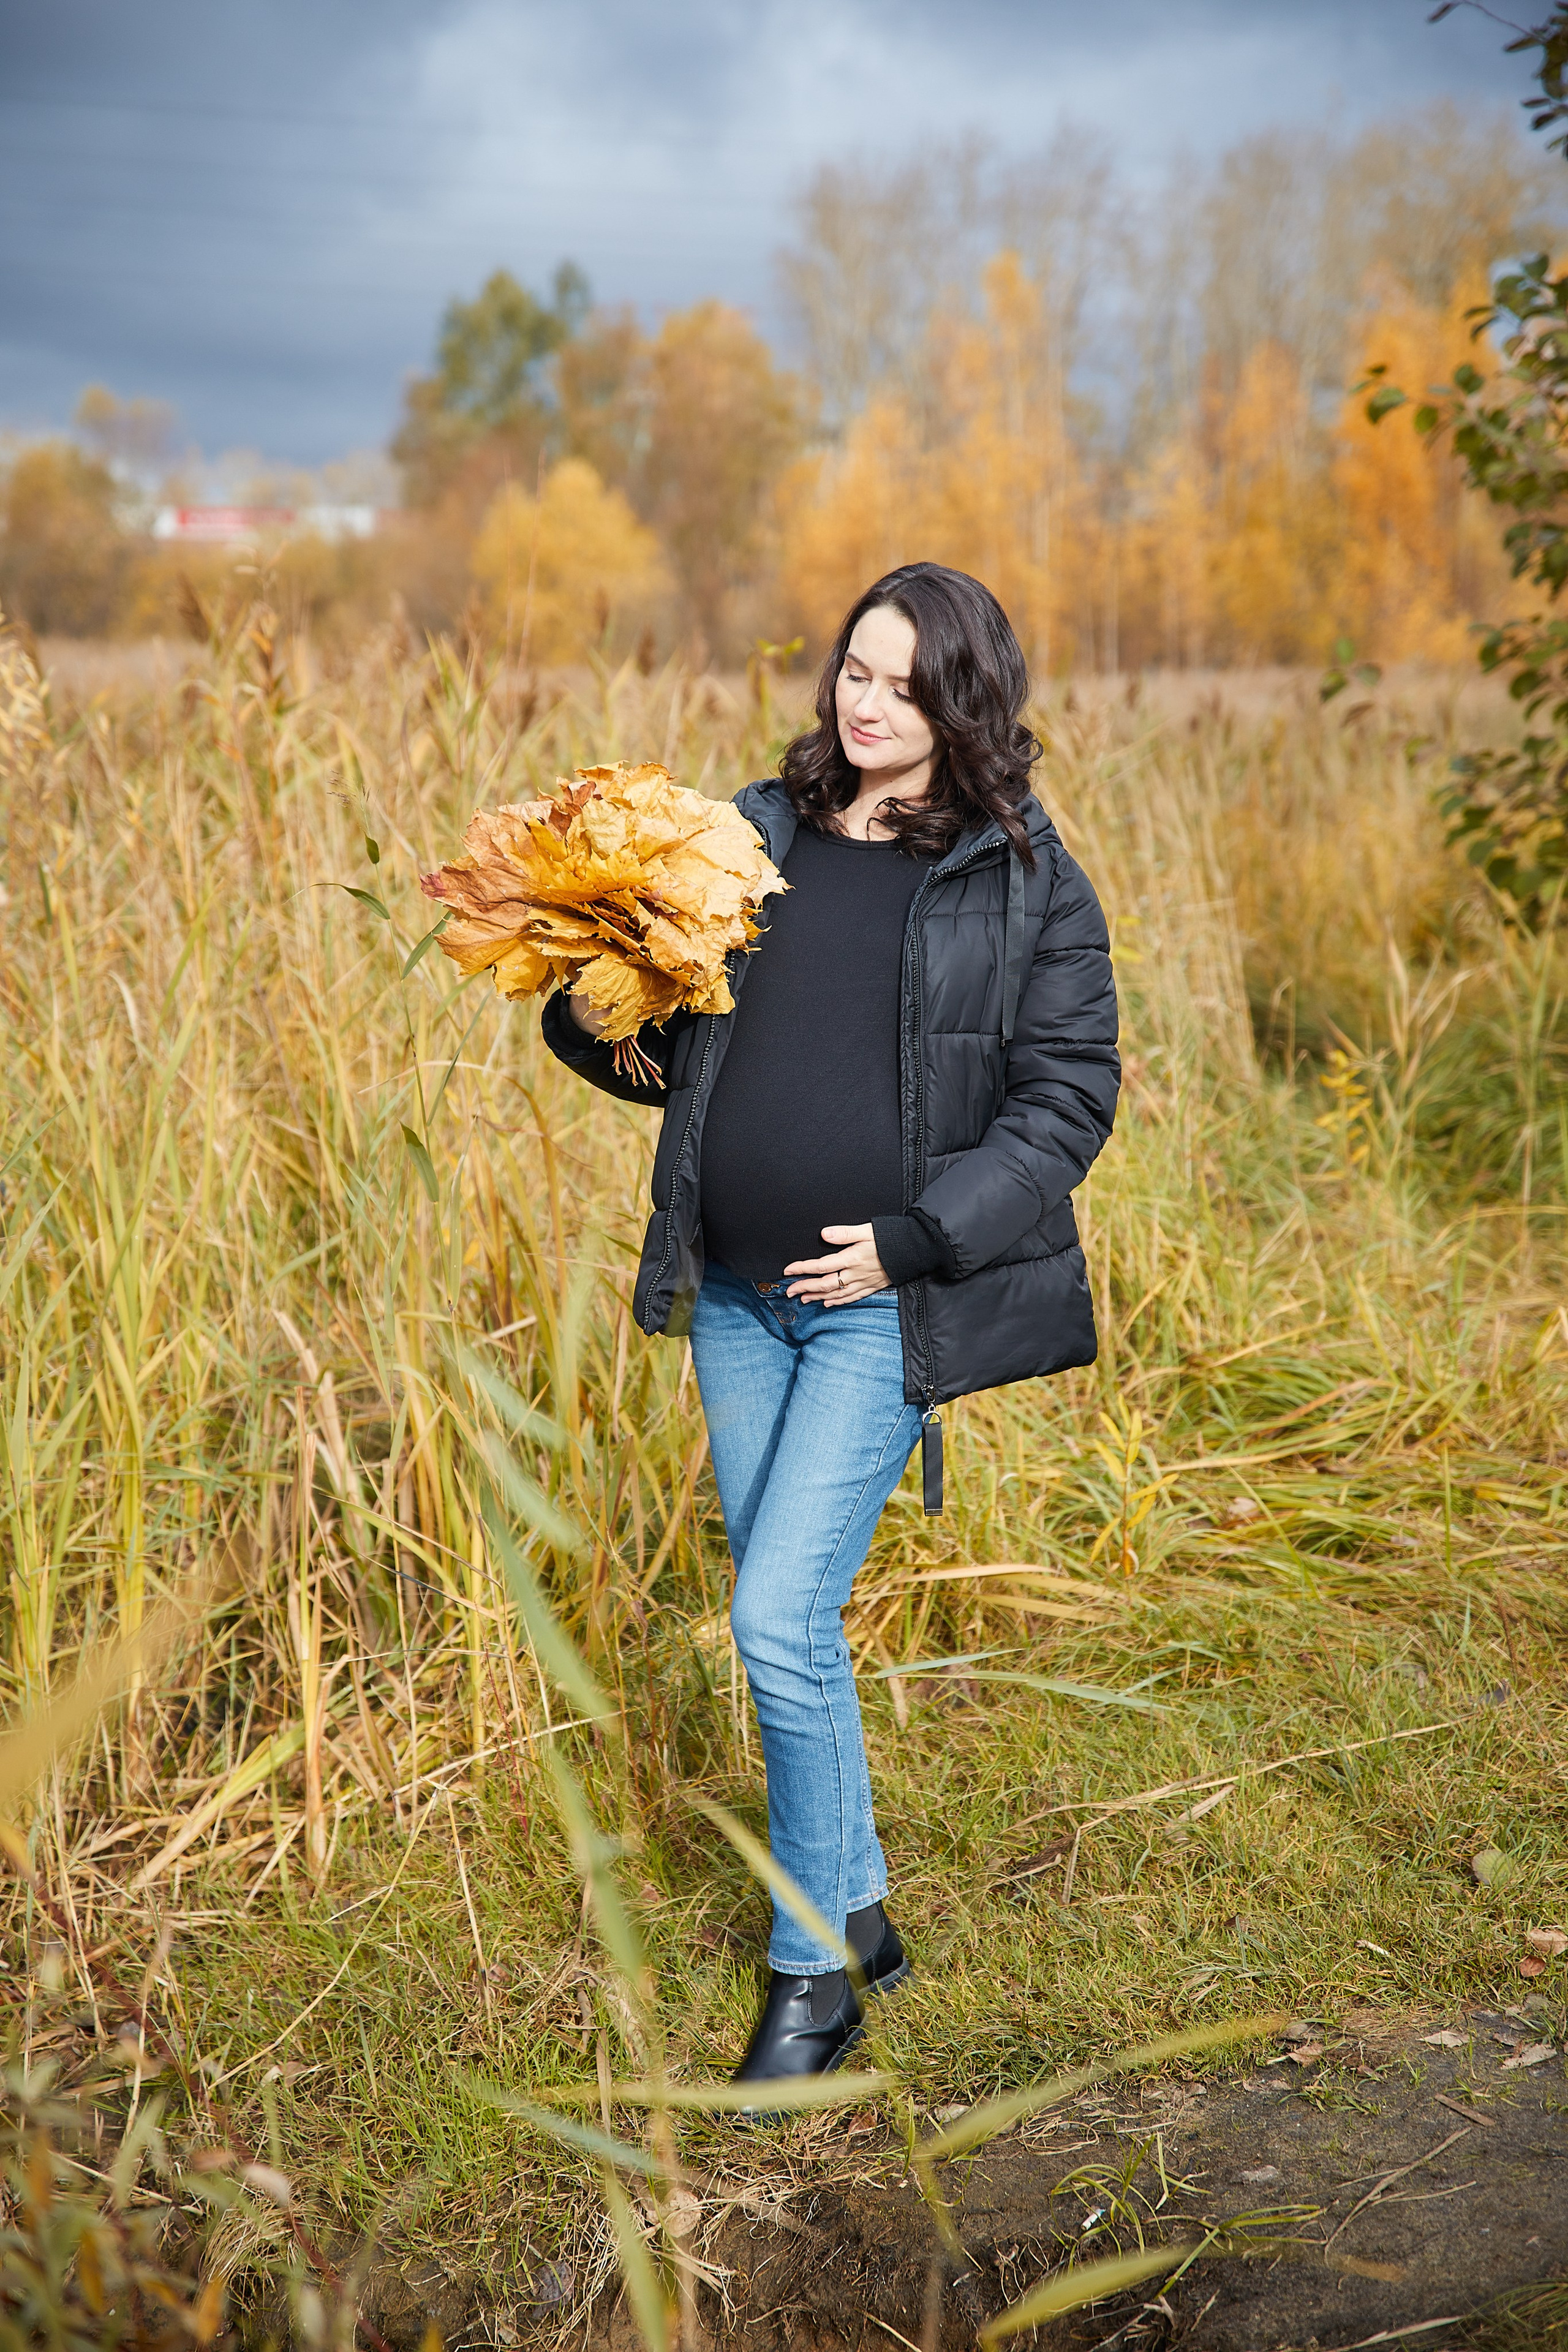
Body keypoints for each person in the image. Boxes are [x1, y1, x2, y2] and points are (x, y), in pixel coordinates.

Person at [542, 562, 1119, 2092]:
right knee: (787, 1622)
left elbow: (1068, 1102)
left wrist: (917, 1239)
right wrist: (584, 1013)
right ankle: (859, 1909)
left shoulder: (1026, 878)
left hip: (881, 1312)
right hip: (732, 1293)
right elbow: (673, 1049)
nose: (865, 701)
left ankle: (813, 1976)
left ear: (962, 702)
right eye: (853, 671)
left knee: (774, 1625)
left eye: (902, 681)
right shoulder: (753, 829)